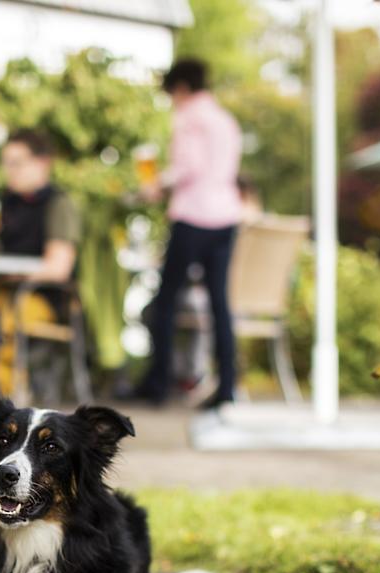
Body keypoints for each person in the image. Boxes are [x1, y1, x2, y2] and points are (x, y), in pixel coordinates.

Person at [135, 59, 243, 412]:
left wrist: (156, 185)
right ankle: (227, 385)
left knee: (165, 303)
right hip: (226, 216)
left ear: (180, 88)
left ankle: (158, 384)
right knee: (219, 304)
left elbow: (188, 167)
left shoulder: (189, 118)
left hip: (193, 215)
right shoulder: (226, 120)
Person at [0, 129, 81, 395]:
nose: (9, 171)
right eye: (6, 163)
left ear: (42, 163)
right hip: (2, 290)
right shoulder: (8, 201)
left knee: (5, 318)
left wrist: (12, 273)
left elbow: (58, 268)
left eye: (16, 163)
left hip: (45, 298)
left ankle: (8, 402)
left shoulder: (57, 204)